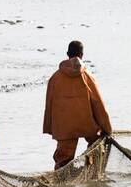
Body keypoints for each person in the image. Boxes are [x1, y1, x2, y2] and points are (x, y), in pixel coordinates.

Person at [43, 41, 112, 169]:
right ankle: (92, 174)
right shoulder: (87, 76)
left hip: (64, 126)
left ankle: (61, 186)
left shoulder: (55, 78)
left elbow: (49, 105)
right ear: (82, 55)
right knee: (96, 146)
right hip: (87, 122)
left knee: (63, 162)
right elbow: (98, 104)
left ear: (67, 54)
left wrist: (50, 128)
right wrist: (107, 129)